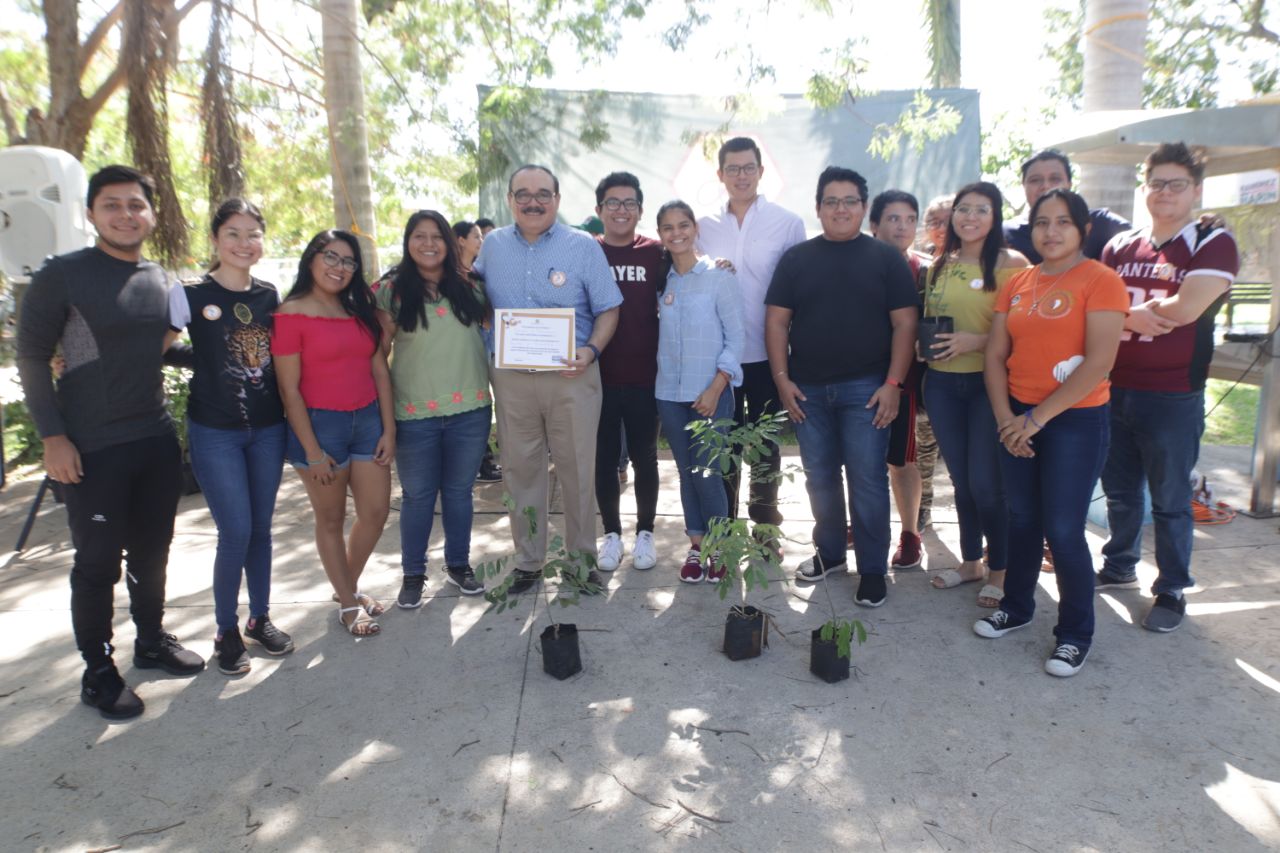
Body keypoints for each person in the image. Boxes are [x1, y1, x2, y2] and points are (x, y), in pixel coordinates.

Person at [17, 164, 204, 720]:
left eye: (136, 205)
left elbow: (158, 350)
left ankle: (150, 642)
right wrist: (53, 437)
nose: (126, 214)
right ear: (91, 212)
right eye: (112, 205)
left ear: (151, 213)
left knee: (153, 553)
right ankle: (98, 670)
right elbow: (31, 357)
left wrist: (230, 360)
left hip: (153, 440)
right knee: (98, 563)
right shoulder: (64, 274)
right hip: (91, 447)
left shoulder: (160, 279)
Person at [978, 188, 1128, 676]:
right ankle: (1017, 609)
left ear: (1082, 228)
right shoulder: (1018, 282)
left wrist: (1035, 420)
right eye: (1042, 222)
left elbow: (1099, 363)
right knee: (1022, 518)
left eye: (1063, 221)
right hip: (1016, 416)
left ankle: (1074, 634)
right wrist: (1007, 419)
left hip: (1074, 420)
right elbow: (995, 356)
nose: (1051, 231)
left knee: (1062, 530)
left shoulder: (1100, 281)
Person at [1097, 142, 1239, 633]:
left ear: (1196, 190)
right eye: (1156, 182)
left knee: (1171, 498)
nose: (1165, 193)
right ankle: (1119, 565)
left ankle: (1172, 587)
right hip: (1113, 388)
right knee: (1119, 492)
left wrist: (1124, 317)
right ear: (1145, 187)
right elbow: (1093, 316)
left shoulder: (1210, 241)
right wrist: (1123, 319)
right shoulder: (1120, 245)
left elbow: (1186, 309)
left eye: (1177, 184)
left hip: (1173, 393)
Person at [766, 167, 918, 607]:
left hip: (868, 390)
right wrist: (781, 380)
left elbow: (905, 323)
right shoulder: (796, 259)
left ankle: (872, 569)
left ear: (863, 208)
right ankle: (830, 554)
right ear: (818, 208)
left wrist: (893, 383)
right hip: (807, 391)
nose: (840, 209)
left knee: (868, 481)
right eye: (831, 201)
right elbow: (776, 320)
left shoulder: (885, 259)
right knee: (820, 480)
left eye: (850, 200)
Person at [475, 164, 622, 594]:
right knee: (521, 471)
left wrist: (591, 350)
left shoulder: (582, 246)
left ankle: (581, 562)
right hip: (512, 379)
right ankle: (528, 561)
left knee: (578, 469)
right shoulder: (493, 245)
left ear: (557, 200)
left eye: (543, 193)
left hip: (572, 375)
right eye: (523, 193)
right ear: (510, 200)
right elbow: (476, 298)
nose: (532, 201)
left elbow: (609, 308)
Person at [164, 199, 293, 676]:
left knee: (261, 529)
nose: (244, 243)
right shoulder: (190, 293)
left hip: (267, 429)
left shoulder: (268, 295)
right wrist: (206, 360)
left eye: (253, 234)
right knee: (235, 530)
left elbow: (278, 355)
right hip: (214, 431)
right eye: (234, 234)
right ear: (216, 239)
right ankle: (225, 630)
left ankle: (259, 618)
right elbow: (160, 347)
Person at [272, 230, 395, 636]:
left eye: (348, 261)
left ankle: (347, 586)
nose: (339, 267)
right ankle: (347, 601)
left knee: (375, 513)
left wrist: (388, 428)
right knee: (331, 518)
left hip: (368, 422)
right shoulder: (290, 313)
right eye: (331, 257)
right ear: (312, 258)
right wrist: (311, 450)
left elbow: (380, 370)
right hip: (320, 428)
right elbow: (288, 390)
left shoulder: (358, 310)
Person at [376, 211, 493, 609]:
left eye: (436, 237)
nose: (428, 244)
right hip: (413, 415)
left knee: (460, 493)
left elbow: (501, 335)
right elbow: (378, 356)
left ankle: (458, 565)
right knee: (418, 496)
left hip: (471, 409)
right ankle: (413, 573)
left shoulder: (473, 286)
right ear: (408, 242)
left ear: (450, 242)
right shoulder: (391, 289)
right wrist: (384, 419)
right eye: (419, 236)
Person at [923, 182, 1028, 607]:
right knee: (963, 481)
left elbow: (1025, 331)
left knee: (987, 484)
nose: (969, 217)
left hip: (988, 386)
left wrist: (975, 341)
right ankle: (970, 563)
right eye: (963, 209)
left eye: (980, 210)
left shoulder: (1014, 264)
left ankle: (999, 570)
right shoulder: (939, 264)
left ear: (995, 215)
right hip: (943, 384)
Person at [698, 137, 807, 543]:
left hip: (767, 353)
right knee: (722, 445)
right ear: (720, 174)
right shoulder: (702, 226)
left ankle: (764, 533)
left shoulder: (787, 222)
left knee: (763, 446)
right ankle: (724, 533)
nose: (741, 176)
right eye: (732, 168)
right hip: (718, 358)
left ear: (761, 172)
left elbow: (800, 291)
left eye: (748, 168)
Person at [653, 201, 744, 581]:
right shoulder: (661, 280)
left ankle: (720, 548)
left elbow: (736, 337)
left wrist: (717, 385)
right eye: (668, 227)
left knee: (708, 472)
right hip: (669, 393)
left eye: (684, 225)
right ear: (660, 234)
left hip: (711, 391)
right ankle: (695, 547)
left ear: (695, 228)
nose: (677, 233)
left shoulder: (719, 275)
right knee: (687, 471)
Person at [591, 172, 661, 573]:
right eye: (613, 203)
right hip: (596, 375)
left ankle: (646, 533)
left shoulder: (655, 252)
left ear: (639, 209)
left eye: (629, 203)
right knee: (603, 459)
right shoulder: (586, 251)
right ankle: (612, 534)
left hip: (644, 375)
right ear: (599, 209)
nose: (621, 210)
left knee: (644, 457)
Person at [868, 190, 937, 568]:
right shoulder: (854, 264)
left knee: (902, 460)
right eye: (893, 218)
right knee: (859, 461)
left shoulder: (928, 269)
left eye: (910, 218)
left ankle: (910, 534)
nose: (903, 226)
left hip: (906, 381)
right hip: (858, 378)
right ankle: (858, 524)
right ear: (874, 224)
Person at [1003, 149, 1131, 263]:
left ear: (1069, 184)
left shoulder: (1102, 223)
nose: (1045, 186)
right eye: (1035, 180)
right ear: (1023, 186)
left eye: (1055, 179)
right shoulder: (1004, 233)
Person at [455, 218, 504, 484]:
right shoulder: (448, 276)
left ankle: (485, 461)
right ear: (461, 240)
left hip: (491, 344)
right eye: (476, 236)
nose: (481, 241)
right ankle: (477, 462)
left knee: (489, 403)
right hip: (464, 351)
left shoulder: (478, 274)